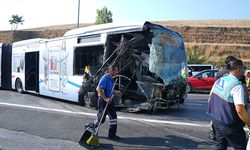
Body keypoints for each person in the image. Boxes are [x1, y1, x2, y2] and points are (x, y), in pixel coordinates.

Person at [208, 58, 250, 149]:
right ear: (239, 69)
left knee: (220, 146)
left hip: (216, 120)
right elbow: (240, 110)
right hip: (229, 123)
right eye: (243, 68)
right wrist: (249, 123)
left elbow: (210, 98)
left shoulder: (220, 80)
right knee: (240, 146)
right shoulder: (237, 86)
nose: (244, 71)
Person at [85, 64, 122, 141]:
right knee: (101, 119)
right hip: (103, 100)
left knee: (113, 117)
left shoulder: (111, 78)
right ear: (111, 70)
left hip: (109, 100)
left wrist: (116, 91)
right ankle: (89, 127)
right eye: (116, 70)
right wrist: (105, 99)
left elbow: (109, 88)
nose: (117, 72)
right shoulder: (105, 78)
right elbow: (99, 89)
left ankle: (112, 135)